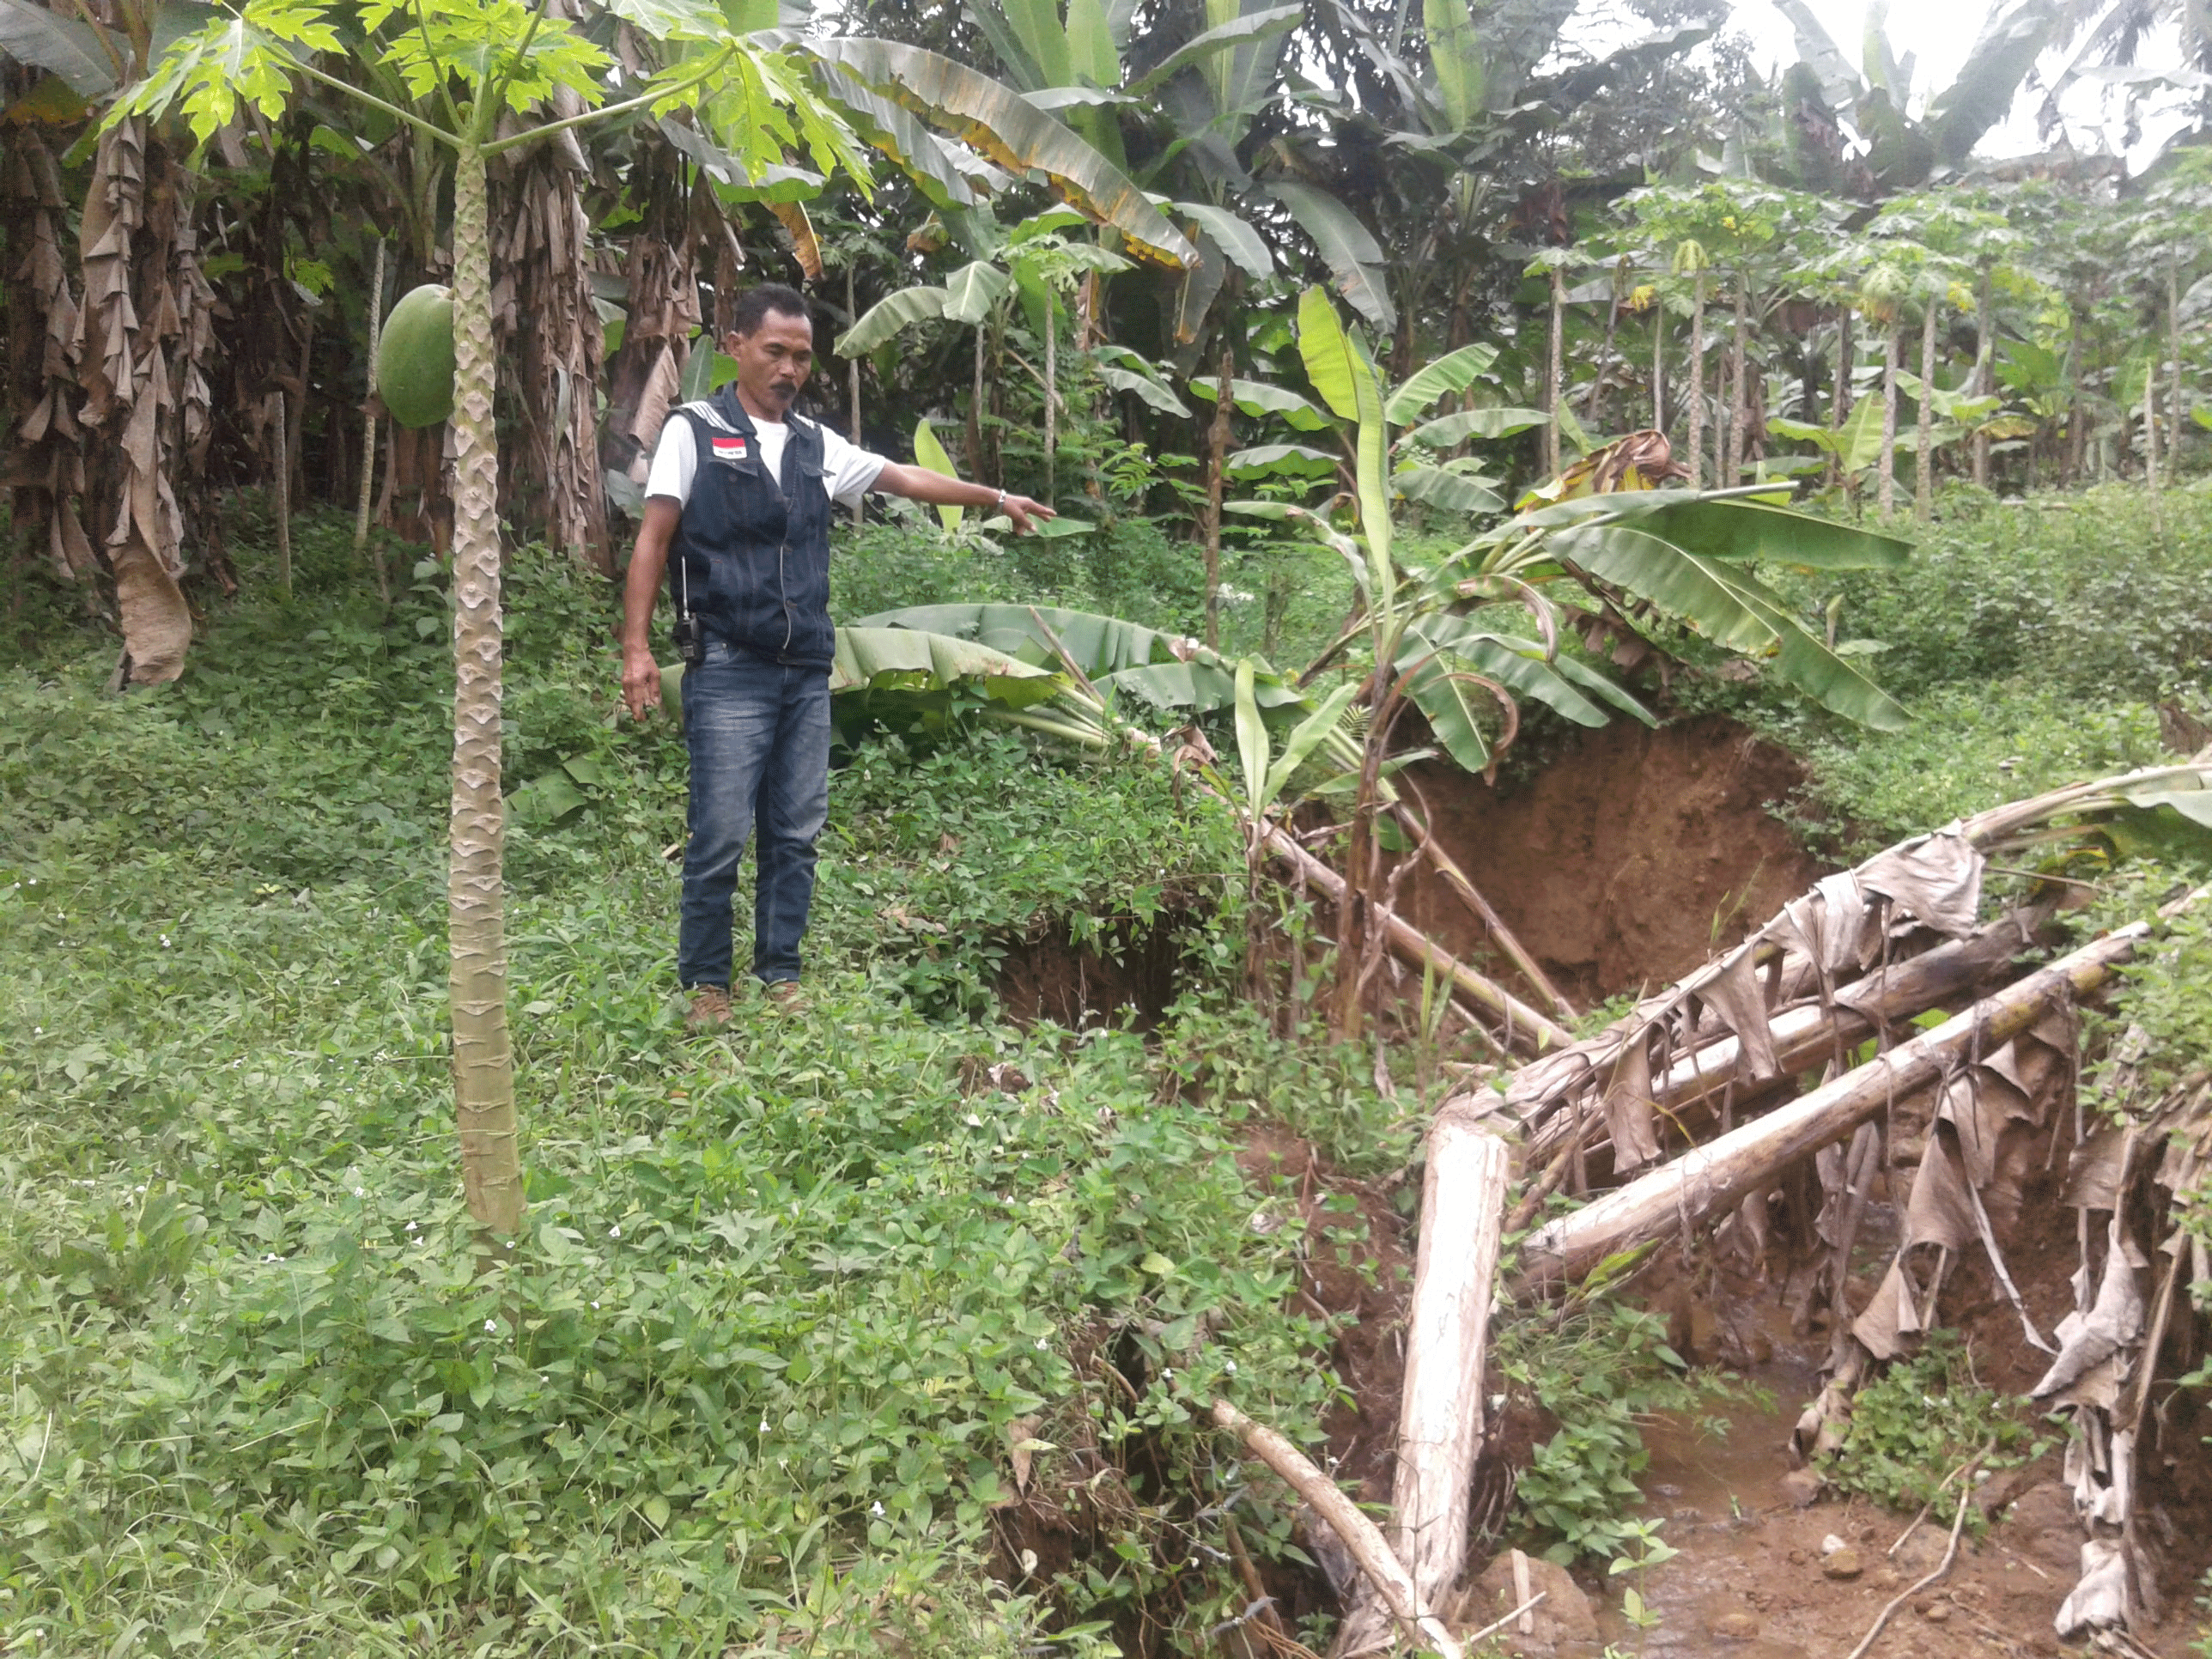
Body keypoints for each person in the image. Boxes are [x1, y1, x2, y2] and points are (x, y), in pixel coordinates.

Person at [619, 283, 1053, 1030]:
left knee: (795, 830)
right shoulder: (694, 430)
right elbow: (653, 539)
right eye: (774, 351)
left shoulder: (820, 446)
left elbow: (906, 477)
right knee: (720, 830)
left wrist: (996, 495)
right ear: (736, 347)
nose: (789, 369)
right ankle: (706, 986)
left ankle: (780, 972)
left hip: (805, 668)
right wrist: (636, 650)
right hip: (727, 664)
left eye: (802, 357)